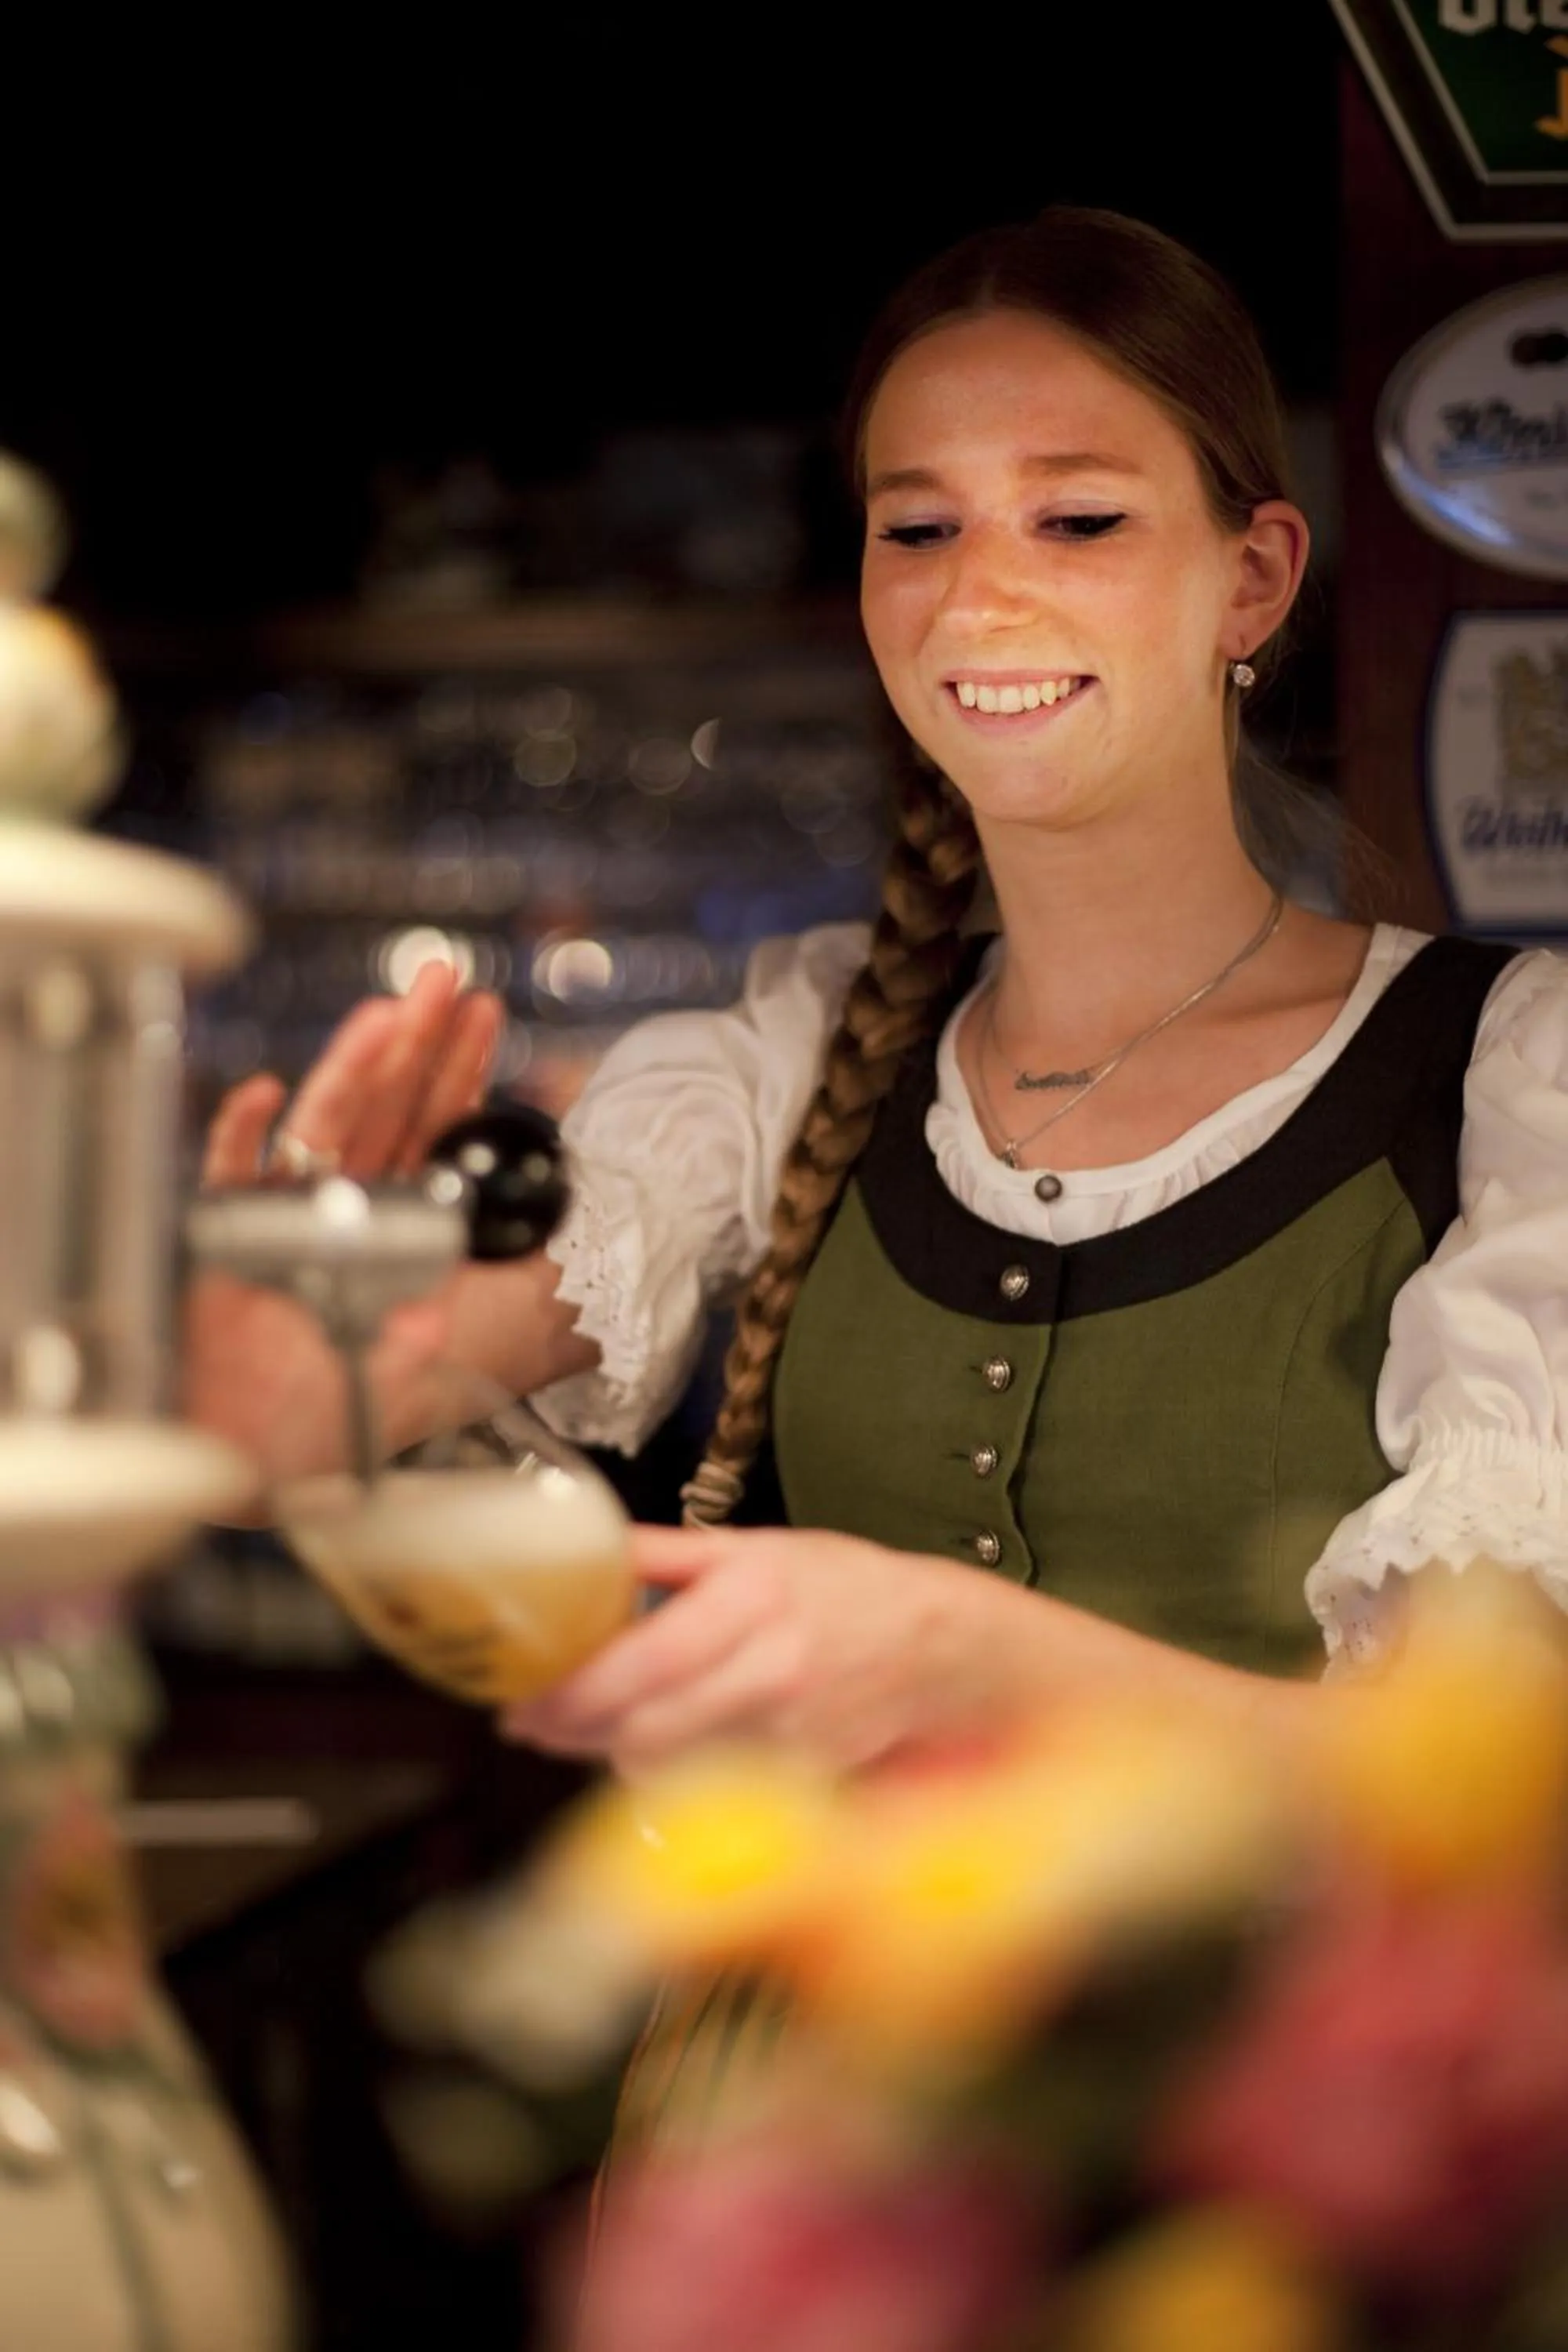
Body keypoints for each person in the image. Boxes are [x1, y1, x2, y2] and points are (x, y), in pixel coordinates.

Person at [191, 207, 1568, 1794]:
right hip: (807, 2032)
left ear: (1249, 581)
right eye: (917, 530)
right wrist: (293, 1374)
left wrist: (979, 1661)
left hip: (1279, 2049)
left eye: (1079, 522)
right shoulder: (800, 1050)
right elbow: (322, 1414)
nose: (977, 598)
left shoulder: (1506, 1084)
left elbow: (1482, 1792)